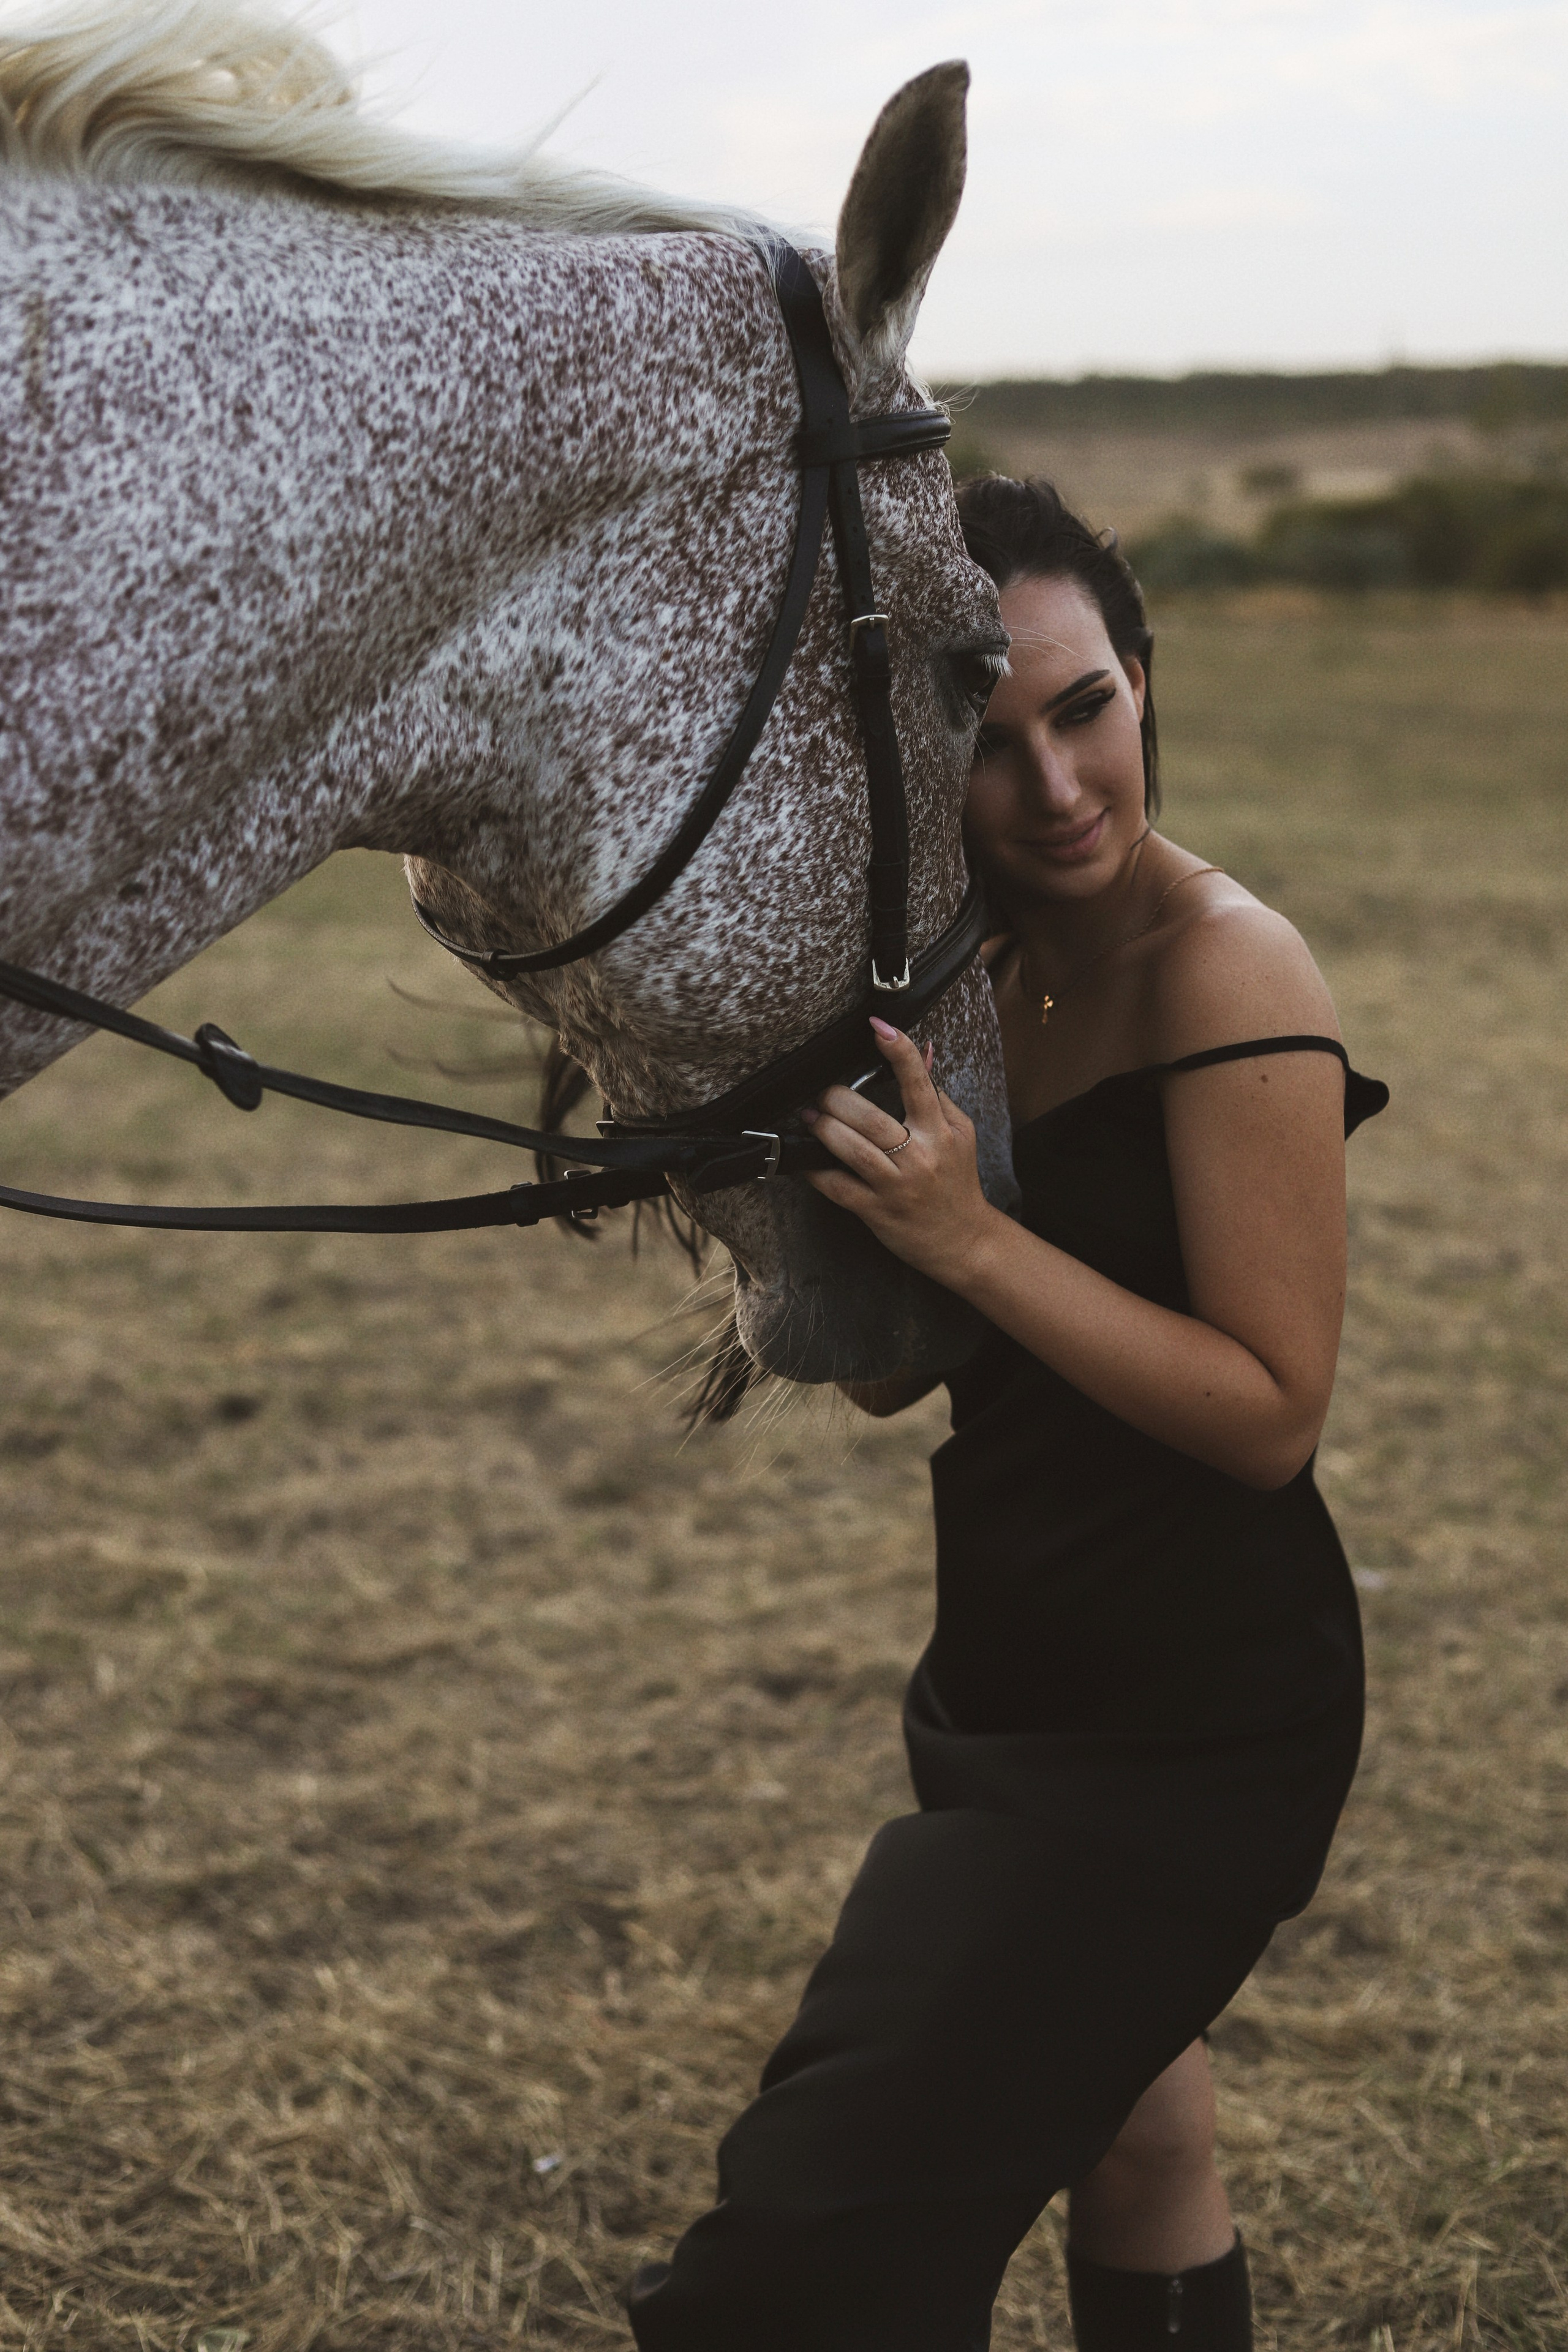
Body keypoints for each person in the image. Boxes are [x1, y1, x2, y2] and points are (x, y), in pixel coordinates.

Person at [625, 477, 1386, 2352]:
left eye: (1086, 710)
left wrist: (971, 1234)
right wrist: (783, 1188)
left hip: (1196, 1721)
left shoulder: (1228, 964)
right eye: (987, 739)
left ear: (1145, 681)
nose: (1054, 787)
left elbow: (1270, 1413)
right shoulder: (971, 979)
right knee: (1134, 2135)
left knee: (805, 2254)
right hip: (1004, 1674)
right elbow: (906, 1369)